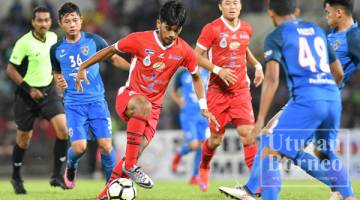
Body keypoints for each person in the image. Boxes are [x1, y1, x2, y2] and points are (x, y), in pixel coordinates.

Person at [74, 1, 218, 199]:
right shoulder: (139, 40)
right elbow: (110, 50)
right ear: (159, 23)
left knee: (133, 152)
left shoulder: (184, 50)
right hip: (130, 97)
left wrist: (203, 106)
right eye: (168, 28)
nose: (171, 34)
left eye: (176, 30)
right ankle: (132, 166)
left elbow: (195, 77)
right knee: (142, 108)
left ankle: (105, 195)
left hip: (153, 111)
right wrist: (83, 67)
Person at [219, 0, 360, 199]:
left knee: (270, 141)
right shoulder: (318, 31)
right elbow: (337, 71)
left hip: (307, 98)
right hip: (329, 97)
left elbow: (272, 78)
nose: (326, 15)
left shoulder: (352, 35)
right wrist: (330, 87)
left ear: (270, 13)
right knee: (321, 153)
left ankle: (251, 191)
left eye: (327, 11)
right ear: (296, 11)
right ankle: (344, 191)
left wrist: (258, 119)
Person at [50, 2, 130, 189]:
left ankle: (111, 186)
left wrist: (133, 70)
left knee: (106, 145)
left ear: (81, 21)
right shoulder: (55, 50)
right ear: (61, 23)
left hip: (97, 102)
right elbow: (57, 73)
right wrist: (58, 82)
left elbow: (114, 58)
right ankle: (71, 165)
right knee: (80, 147)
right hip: (73, 104)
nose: (71, 24)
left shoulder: (95, 41)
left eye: (75, 20)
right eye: (67, 21)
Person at [194, 0, 264, 192]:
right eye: (227, 3)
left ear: (240, 6)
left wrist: (257, 65)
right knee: (216, 140)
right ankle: (205, 165)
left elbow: (243, 48)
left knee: (248, 135)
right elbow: (196, 55)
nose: (232, 6)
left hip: (240, 91)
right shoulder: (212, 29)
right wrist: (217, 70)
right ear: (220, 7)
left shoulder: (247, 28)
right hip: (217, 93)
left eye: (235, 3)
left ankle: (256, 185)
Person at [6, 6, 68, 194]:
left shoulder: (53, 38)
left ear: (51, 22)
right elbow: (10, 69)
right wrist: (28, 89)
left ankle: (57, 175)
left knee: (63, 131)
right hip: (26, 96)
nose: (43, 23)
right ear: (33, 22)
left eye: (46, 20)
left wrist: (57, 80)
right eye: (39, 20)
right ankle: (16, 177)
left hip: (48, 92)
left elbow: (53, 62)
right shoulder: (23, 42)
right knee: (24, 139)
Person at [171, 68, 209, 188]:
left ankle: (195, 176)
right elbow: (174, 91)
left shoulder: (207, 72)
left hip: (203, 114)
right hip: (188, 114)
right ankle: (180, 152)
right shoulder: (182, 73)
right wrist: (179, 100)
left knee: (203, 146)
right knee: (193, 145)